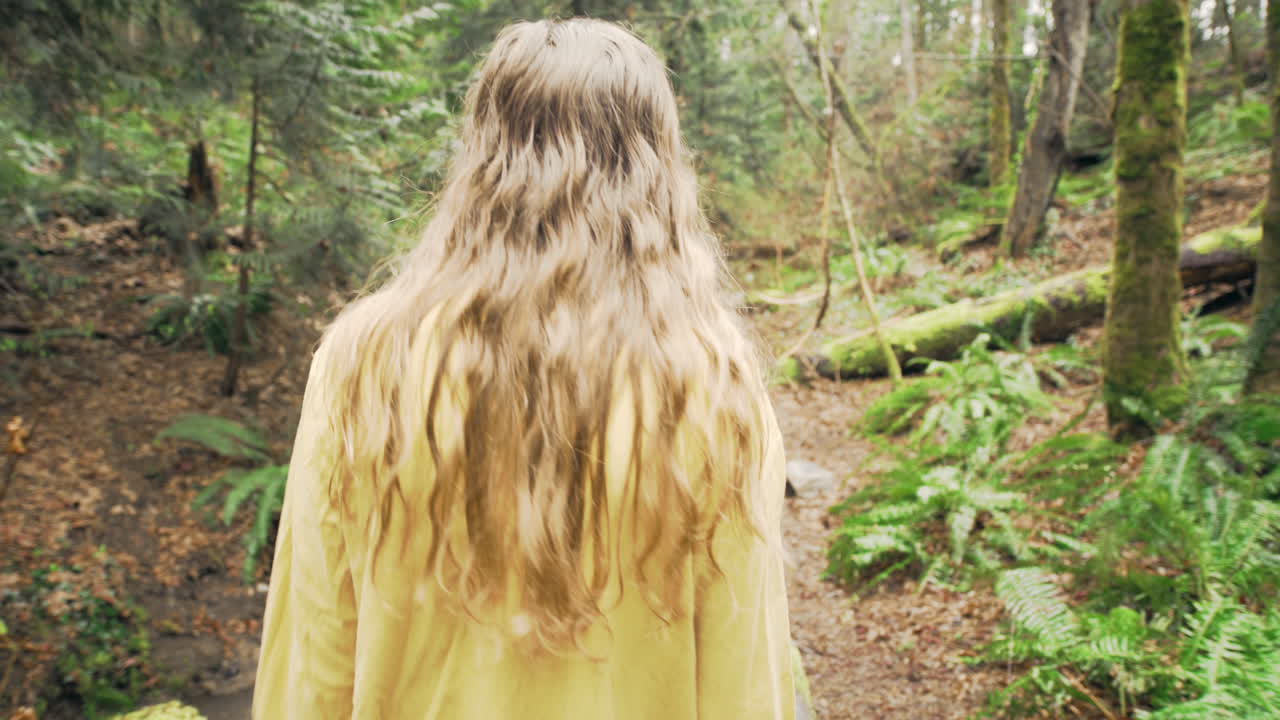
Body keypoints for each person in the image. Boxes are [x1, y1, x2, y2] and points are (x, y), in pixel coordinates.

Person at [252, 18, 795, 720]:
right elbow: (744, 681)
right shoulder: (711, 386)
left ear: (481, 158)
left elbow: (313, 652)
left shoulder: (362, 366)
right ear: (657, 168)